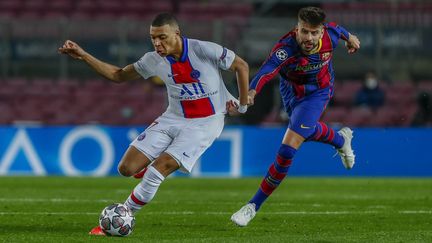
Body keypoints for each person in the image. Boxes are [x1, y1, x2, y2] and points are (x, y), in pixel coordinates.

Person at [58, 13, 250, 235]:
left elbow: (241, 66)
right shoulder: (153, 60)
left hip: (205, 123)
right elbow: (118, 75)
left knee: (159, 169)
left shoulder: (203, 49)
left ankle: (122, 216)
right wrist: (83, 55)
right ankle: (145, 173)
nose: (158, 43)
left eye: (162, 37)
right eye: (153, 38)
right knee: (126, 168)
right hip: (173, 117)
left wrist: (243, 105)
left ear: (177, 34)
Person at [231, 6, 360, 226]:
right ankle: (340, 139)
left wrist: (350, 38)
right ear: (296, 29)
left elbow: (338, 29)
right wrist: (252, 91)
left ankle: (252, 206)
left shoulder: (330, 35)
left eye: (313, 32)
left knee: (287, 149)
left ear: (321, 32)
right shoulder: (285, 48)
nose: (308, 37)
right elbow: (267, 69)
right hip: (290, 91)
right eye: (304, 31)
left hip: (319, 91)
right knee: (305, 132)